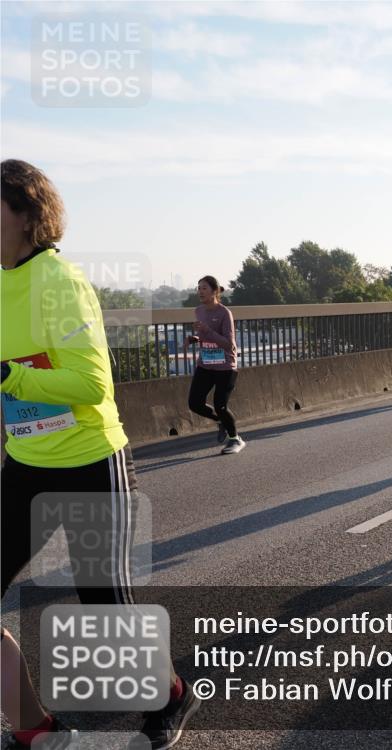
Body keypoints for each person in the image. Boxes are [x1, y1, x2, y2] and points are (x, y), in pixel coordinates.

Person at [1, 159, 199, 749]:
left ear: (26, 215)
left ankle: (170, 694)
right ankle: (34, 728)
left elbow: (91, 385)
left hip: (90, 460)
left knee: (105, 613)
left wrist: (11, 376)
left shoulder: (58, 283)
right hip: (27, 463)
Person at [186, 276, 244, 454]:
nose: (200, 291)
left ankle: (235, 439)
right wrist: (195, 338)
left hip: (225, 365)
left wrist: (206, 330)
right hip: (206, 363)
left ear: (214, 291)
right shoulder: (198, 311)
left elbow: (228, 344)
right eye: (198, 288)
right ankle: (221, 421)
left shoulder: (224, 313)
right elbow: (206, 337)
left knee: (220, 404)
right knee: (194, 403)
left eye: (204, 288)